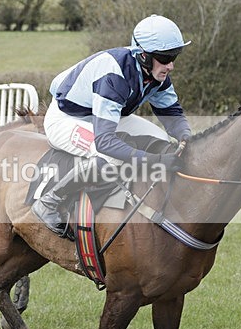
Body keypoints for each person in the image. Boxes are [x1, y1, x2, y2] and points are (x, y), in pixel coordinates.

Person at [32, 14, 193, 236]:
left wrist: (185, 134)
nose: (171, 65)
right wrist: (153, 161)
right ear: (144, 56)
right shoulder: (113, 76)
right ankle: (48, 202)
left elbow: (171, 112)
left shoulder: (156, 74)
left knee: (161, 139)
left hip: (105, 115)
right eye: (165, 58)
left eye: (174, 57)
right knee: (110, 156)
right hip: (67, 118)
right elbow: (105, 142)